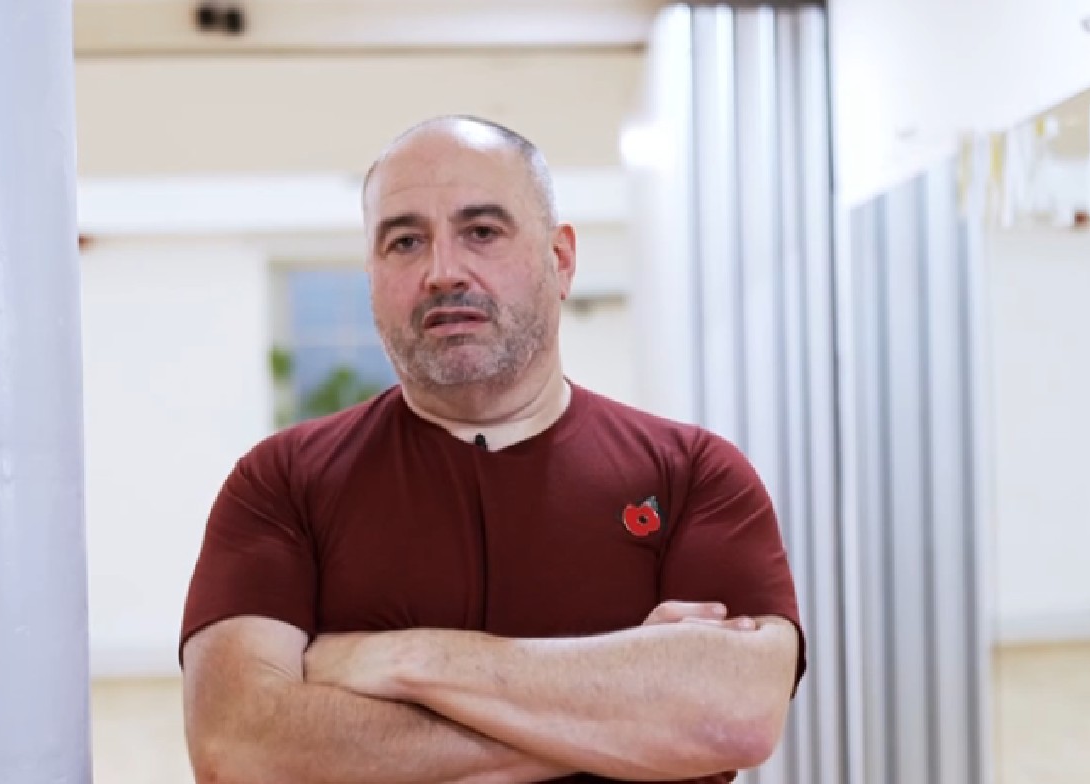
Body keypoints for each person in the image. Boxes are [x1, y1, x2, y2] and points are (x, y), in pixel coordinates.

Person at [178, 115, 806, 783]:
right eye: (405, 242)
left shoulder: (692, 475)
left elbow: (733, 716)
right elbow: (239, 748)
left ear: (559, 260)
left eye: (482, 232)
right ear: (372, 273)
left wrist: (398, 662)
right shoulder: (284, 485)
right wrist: (623, 714)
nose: (442, 271)